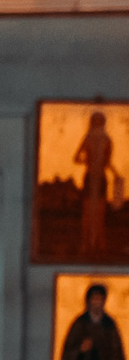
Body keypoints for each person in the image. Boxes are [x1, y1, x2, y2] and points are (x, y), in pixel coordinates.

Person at [58, 281, 126, 360]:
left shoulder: (109, 324)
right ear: (88, 301)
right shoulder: (80, 323)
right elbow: (67, 354)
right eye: (94, 299)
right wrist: (80, 349)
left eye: (100, 299)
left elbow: (117, 353)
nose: (97, 302)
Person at [77, 110, 115, 261]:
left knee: (100, 213)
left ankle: (100, 245)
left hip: (100, 178)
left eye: (100, 121)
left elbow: (107, 162)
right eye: (96, 121)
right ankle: (85, 245)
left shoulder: (107, 140)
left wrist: (116, 173)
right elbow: (76, 158)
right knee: (87, 213)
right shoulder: (88, 138)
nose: (98, 124)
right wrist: (88, 161)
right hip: (90, 176)